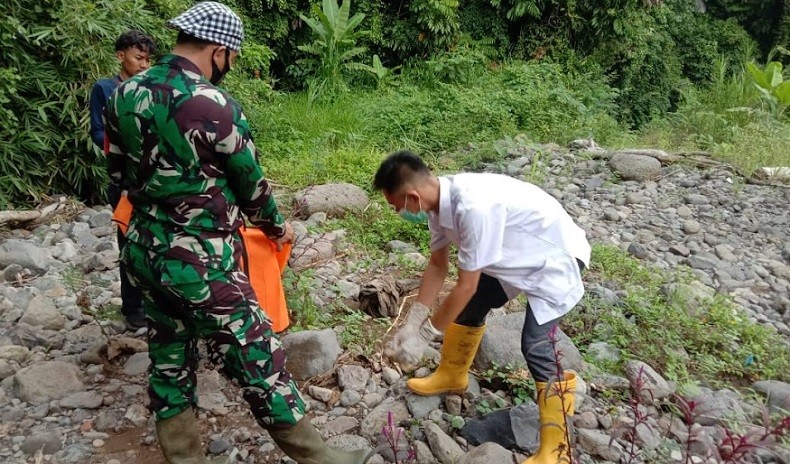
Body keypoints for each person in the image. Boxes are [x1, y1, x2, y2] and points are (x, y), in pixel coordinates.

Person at [103, 3, 370, 464]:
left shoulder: (123, 94)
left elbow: (116, 173)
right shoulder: (214, 104)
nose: (230, 65)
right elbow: (252, 187)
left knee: (169, 358)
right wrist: (277, 228)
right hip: (201, 263)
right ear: (219, 50)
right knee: (257, 354)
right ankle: (319, 457)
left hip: (143, 251)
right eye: (232, 57)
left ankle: (184, 457)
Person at [374, 150, 591, 464]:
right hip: (512, 252)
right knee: (471, 308)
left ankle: (558, 450)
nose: (399, 213)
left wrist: (424, 337)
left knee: (536, 345)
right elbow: (437, 266)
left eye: (396, 207)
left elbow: (465, 285)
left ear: (412, 197)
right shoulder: (438, 205)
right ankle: (452, 375)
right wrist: (412, 321)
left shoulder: (473, 208)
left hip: (553, 256)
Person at [88, 29, 155, 330]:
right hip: (123, 182)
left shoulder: (151, 89)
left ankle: (159, 303)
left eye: (147, 60)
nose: (143, 64)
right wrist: (125, 144)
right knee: (129, 243)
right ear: (120, 56)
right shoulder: (104, 89)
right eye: (138, 58)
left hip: (152, 179)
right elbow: (97, 131)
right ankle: (133, 307)